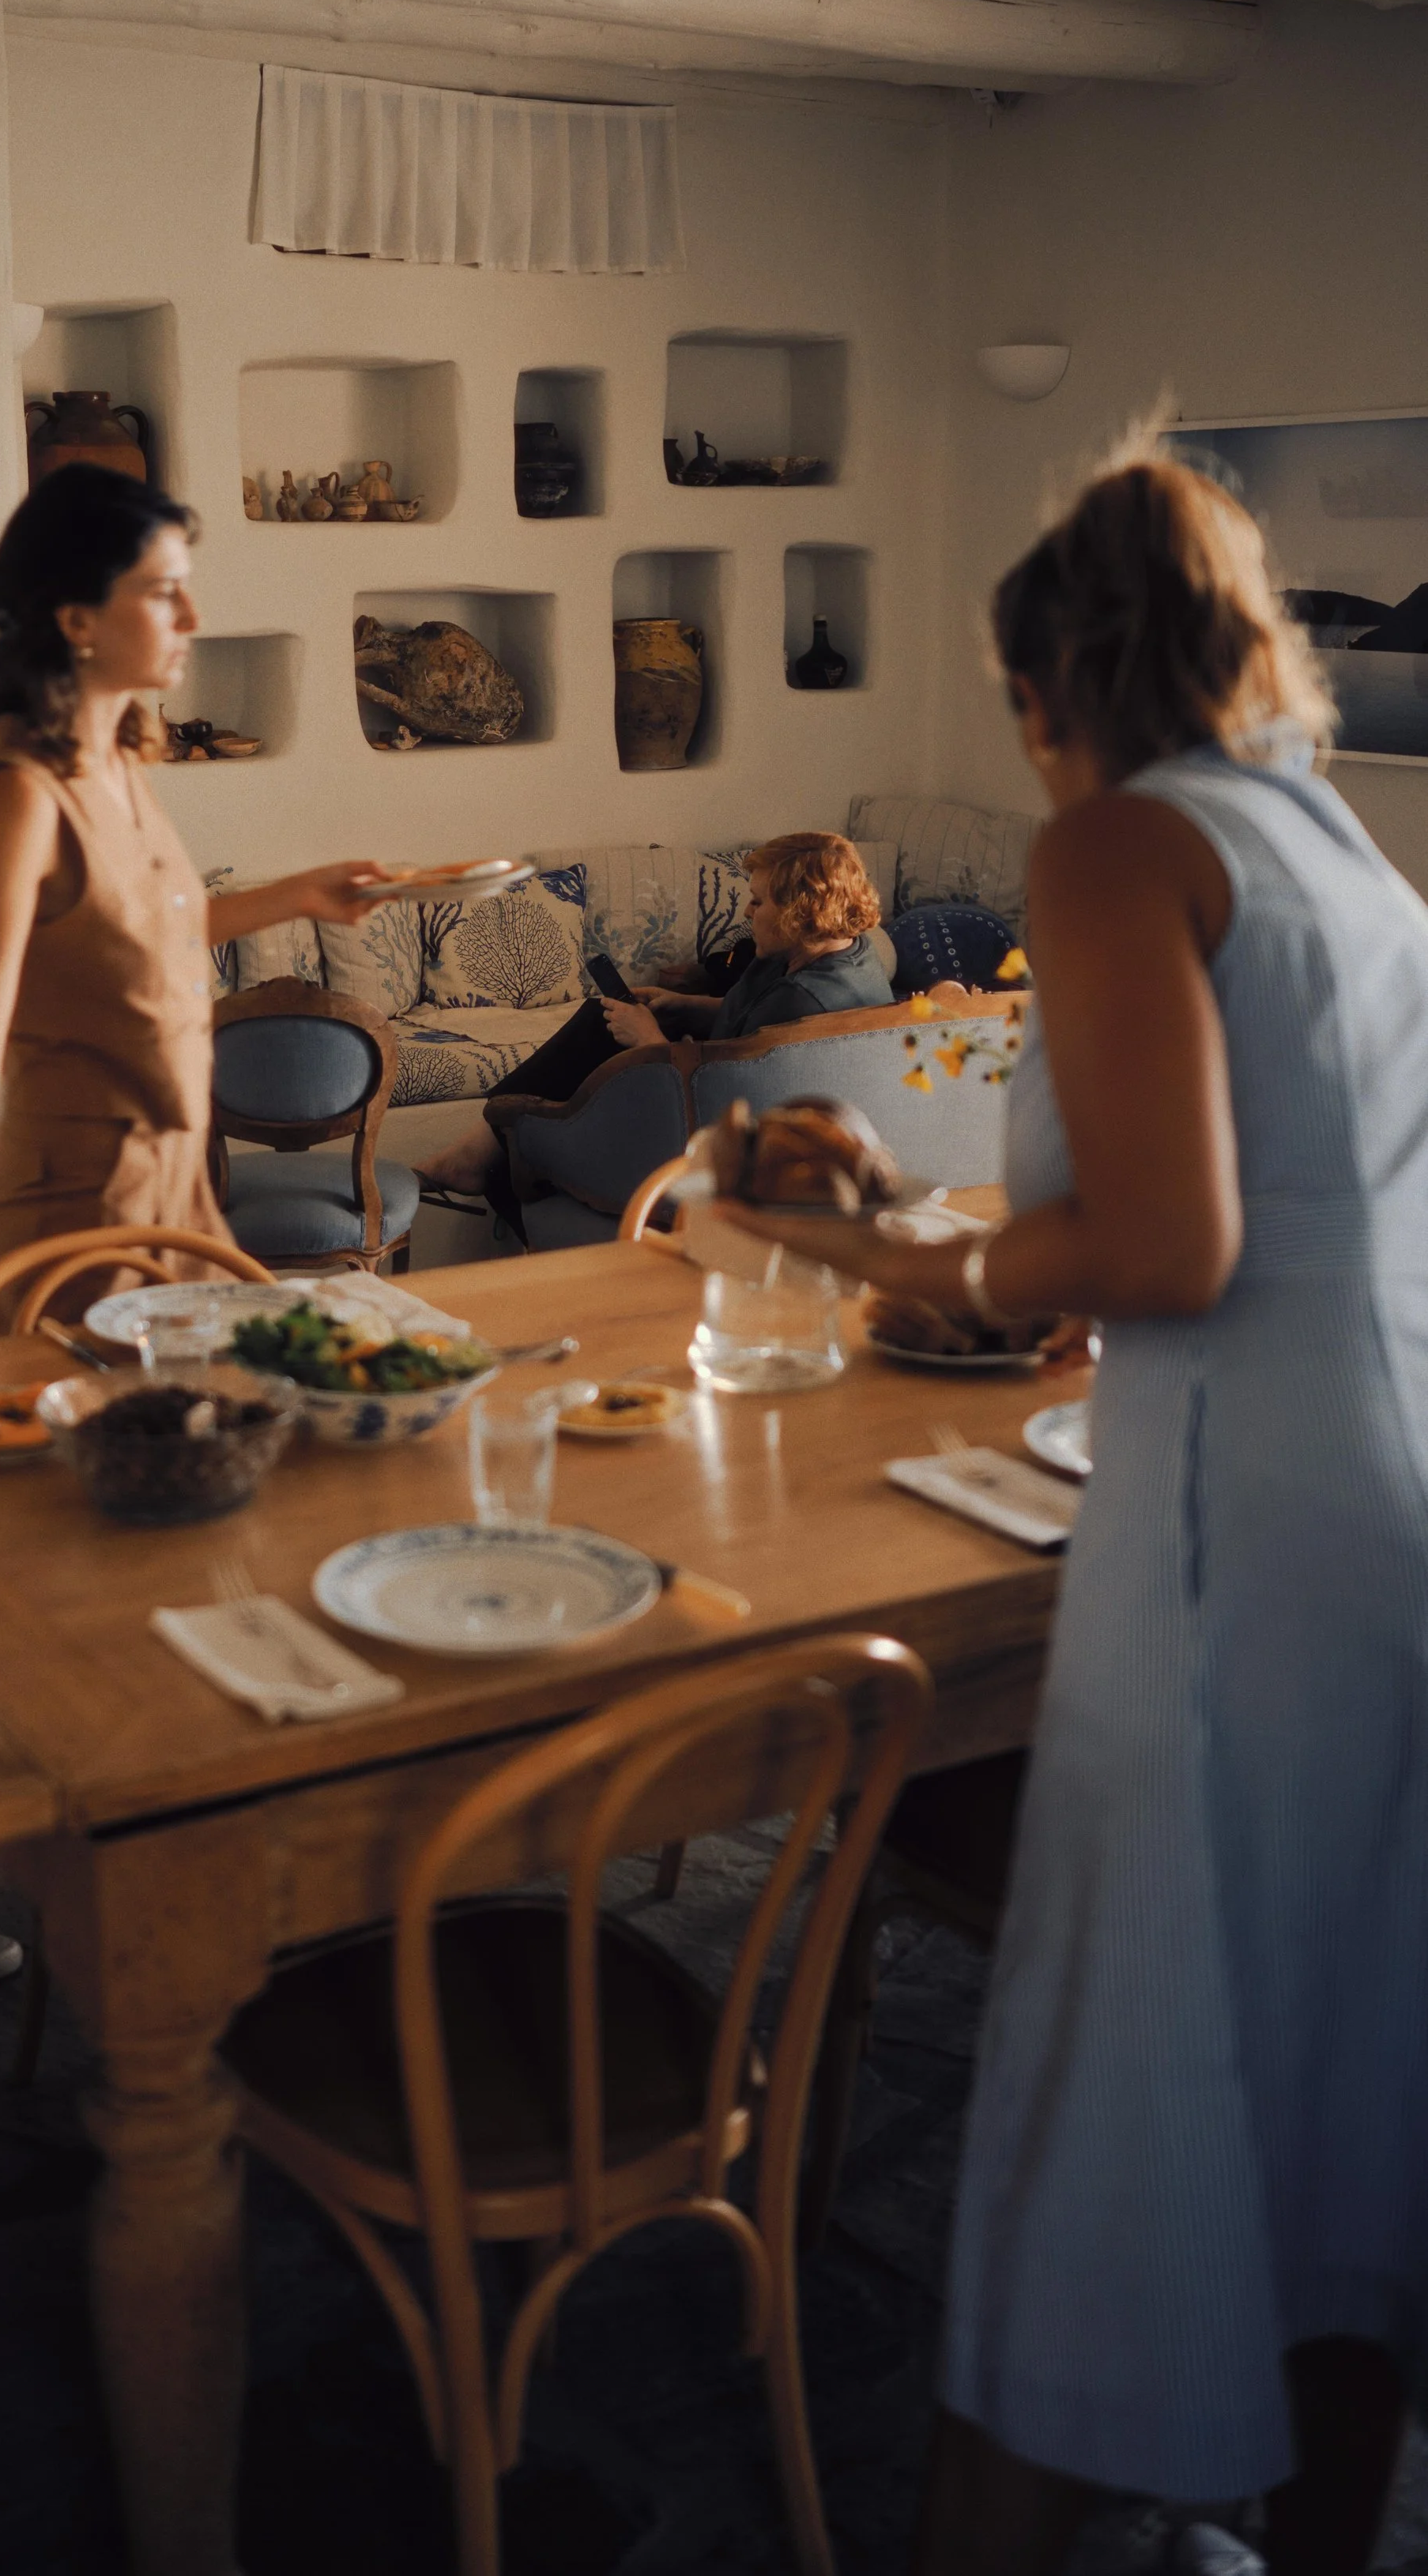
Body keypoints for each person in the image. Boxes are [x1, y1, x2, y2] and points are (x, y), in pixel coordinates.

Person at [716, 454, 1428, 2574]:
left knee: (1104, 2078)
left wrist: (898, 1273)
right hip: (1383, 1517)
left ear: (1055, 684)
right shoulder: (1349, 861)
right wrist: (995, 1248)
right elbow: (1273, 1208)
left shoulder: (1117, 837)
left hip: (1233, 1548)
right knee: (1337, 2083)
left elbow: (1173, 1241)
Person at [0, 466, 384, 1405]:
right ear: (77, 619)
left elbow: (145, 938)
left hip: (180, 1190)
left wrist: (297, 897)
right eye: (161, 591)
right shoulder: (19, 794)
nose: (190, 614)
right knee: (96, 1496)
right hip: (77, 1211)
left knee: (221, 1451)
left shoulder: (114, 753)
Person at [416, 830, 893, 1216]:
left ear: (798, 911)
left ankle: (478, 1151)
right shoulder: (825, 951)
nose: (747, 912)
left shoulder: (803, 1001)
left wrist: (650, 1042)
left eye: (759, 902)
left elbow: (722, 1103)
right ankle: (482, 1149)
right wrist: (684, 1005)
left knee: (600, 1033)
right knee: (600, 1020)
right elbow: (749, 1024)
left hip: (705, 1128)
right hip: (713, 1077)